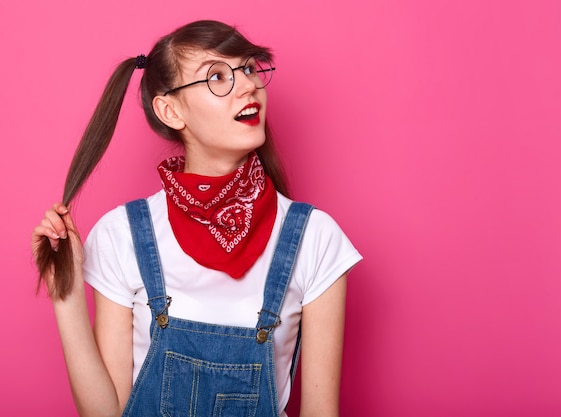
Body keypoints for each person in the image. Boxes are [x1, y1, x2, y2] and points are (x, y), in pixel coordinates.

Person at [31, 20, 361, 417]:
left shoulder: (315, 239)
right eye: (218, 77)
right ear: (170, 110)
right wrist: (65, 296)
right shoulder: (122, 236)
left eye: (250, 68)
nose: (247, 86)